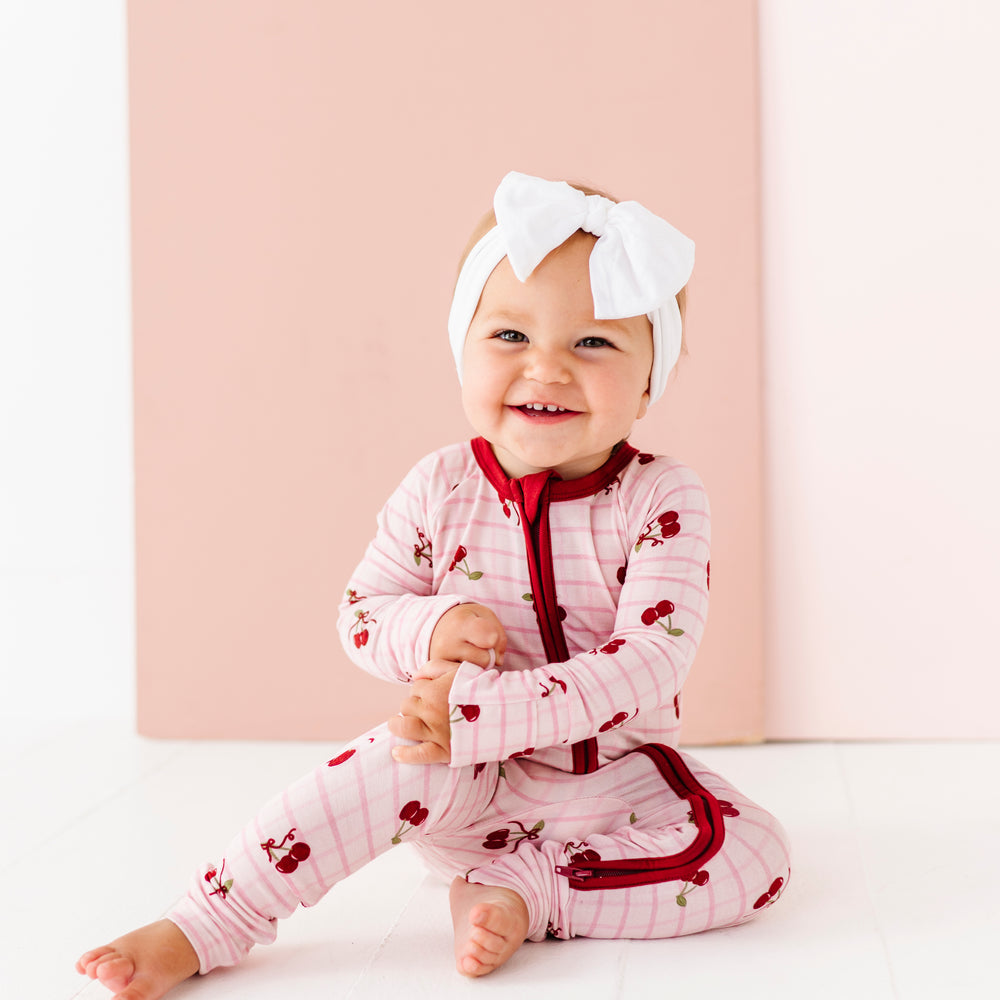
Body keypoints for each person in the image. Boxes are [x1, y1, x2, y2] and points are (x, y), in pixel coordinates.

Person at [77, 171, 790, 999]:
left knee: (757, 858)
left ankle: (527, 891)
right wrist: (431, 628)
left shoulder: (662, 497)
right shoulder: (440, 486)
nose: (548, 368)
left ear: (648, 378)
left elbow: (651, 662)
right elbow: (360, 614)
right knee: (380, 764)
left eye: (593, 343)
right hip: (457, 778)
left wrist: (485, 712)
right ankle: (207, 920)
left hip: (616, 791)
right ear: (463, 348)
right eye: (510, 336)